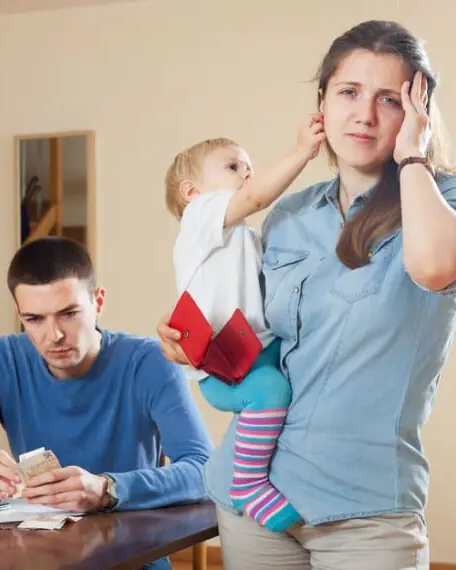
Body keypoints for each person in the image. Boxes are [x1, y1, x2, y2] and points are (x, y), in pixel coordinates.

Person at [157, 19, 456, 570]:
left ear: (418, 113)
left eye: (390, 99)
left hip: (366, 514)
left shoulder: (448, 198)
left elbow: (435, 267)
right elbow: (252, 321)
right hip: (253, 504)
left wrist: (413, 157)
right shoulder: (288, 212)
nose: (364, 114)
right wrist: (186, 336)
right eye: (349, 92)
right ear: (322, 103)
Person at [0, 236, 213, 570]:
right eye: (34, 319)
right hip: (37, 557)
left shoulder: (149, 363)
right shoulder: (2, 360)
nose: (53, 335)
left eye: (68, 314)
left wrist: (107, 489)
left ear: (98, 302)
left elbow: (203, 469)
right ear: (19, 314)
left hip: (133, 555)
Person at [162, 119, 323, 533]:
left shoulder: (241, 238)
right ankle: (248, 482)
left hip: (254, 348)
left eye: (247, 165)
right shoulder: (200, 218)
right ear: (192, 192)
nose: (246, 173)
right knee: (271, 391)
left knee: (286, 381)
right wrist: (302, 150)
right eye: (232, 166)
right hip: (223, 364)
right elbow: (255, 196)